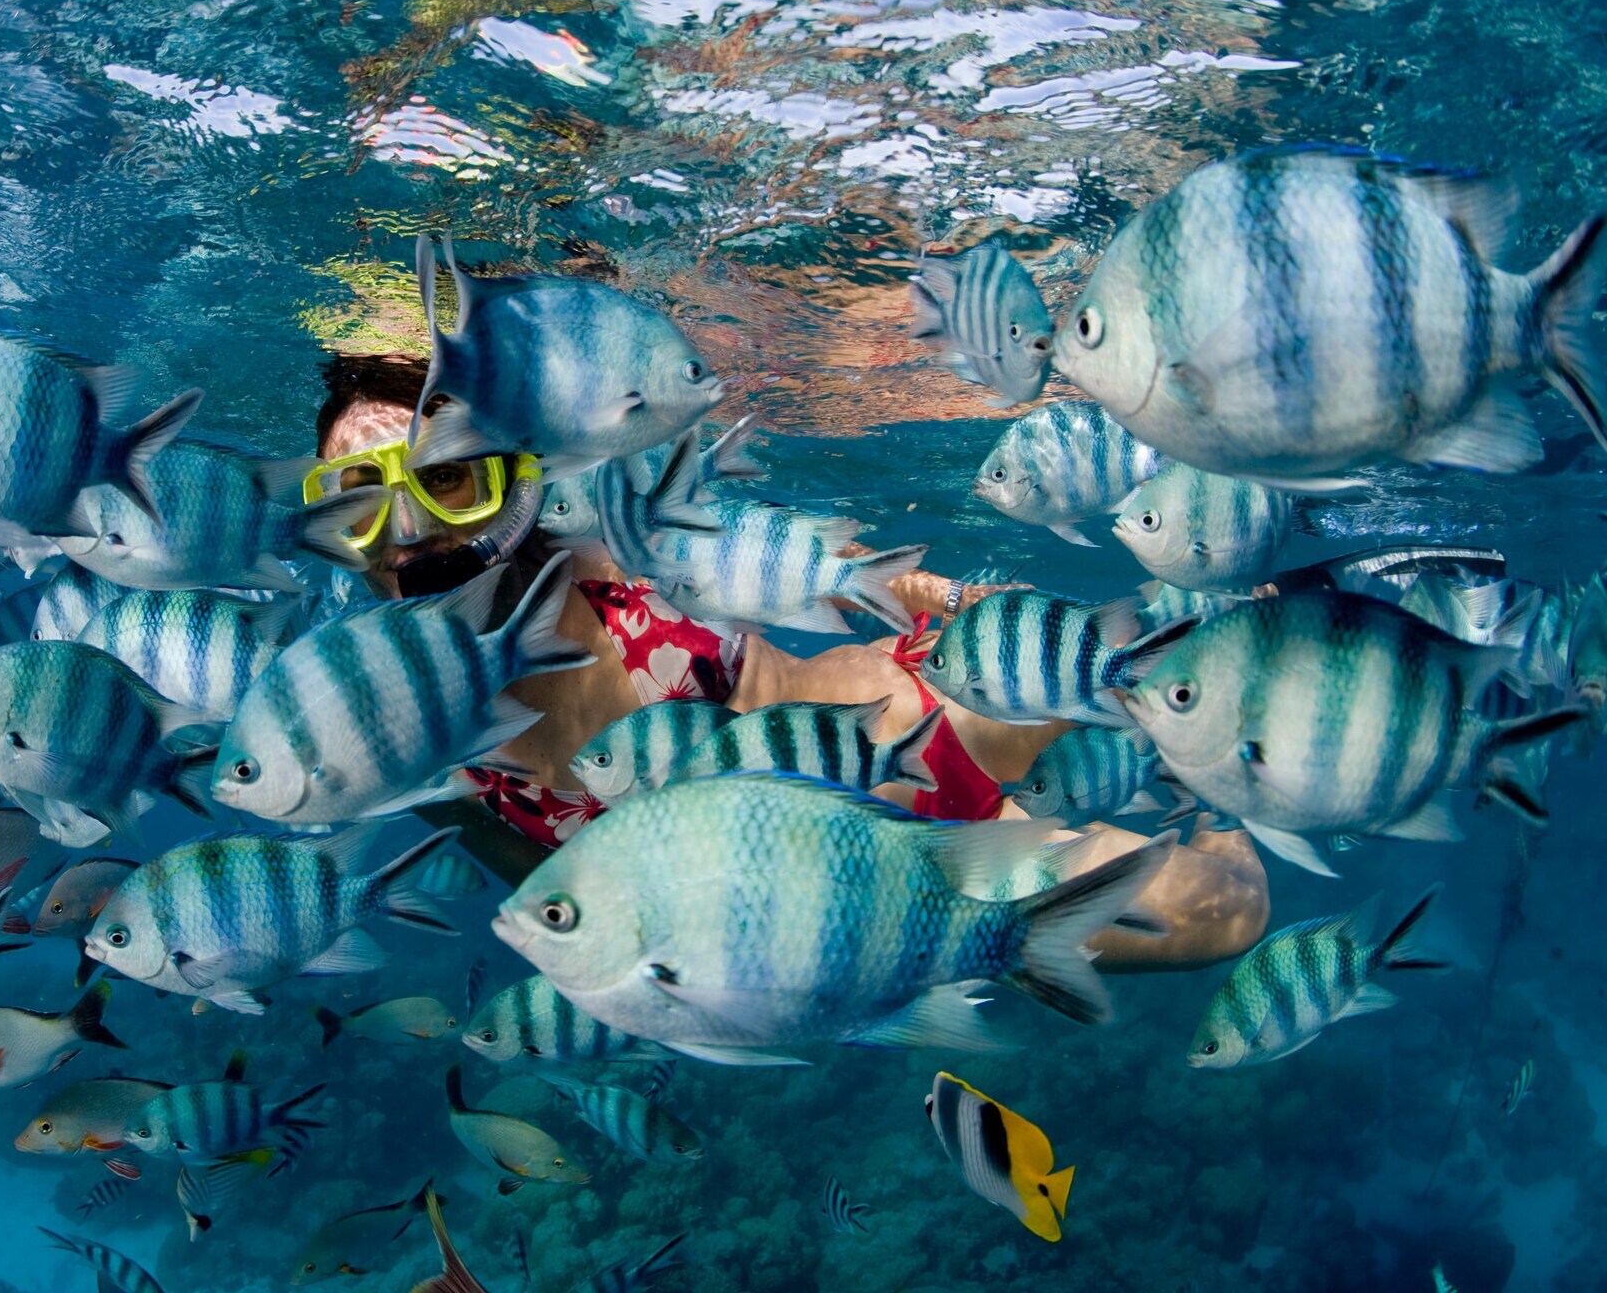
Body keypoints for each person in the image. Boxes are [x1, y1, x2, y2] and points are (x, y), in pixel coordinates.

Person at [309, 351, 1269, 969]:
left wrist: (971, 610)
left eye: (446, 480)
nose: (407, 529)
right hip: (909, 896)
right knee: (1227, 916)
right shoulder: (396, 744)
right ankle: (1226, 803)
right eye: (357, 498)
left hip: (928, 709)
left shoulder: (609, 539)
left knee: (1199, 678)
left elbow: (822, 566)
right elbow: (538, 880)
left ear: (510, 481)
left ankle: (1236, 758)